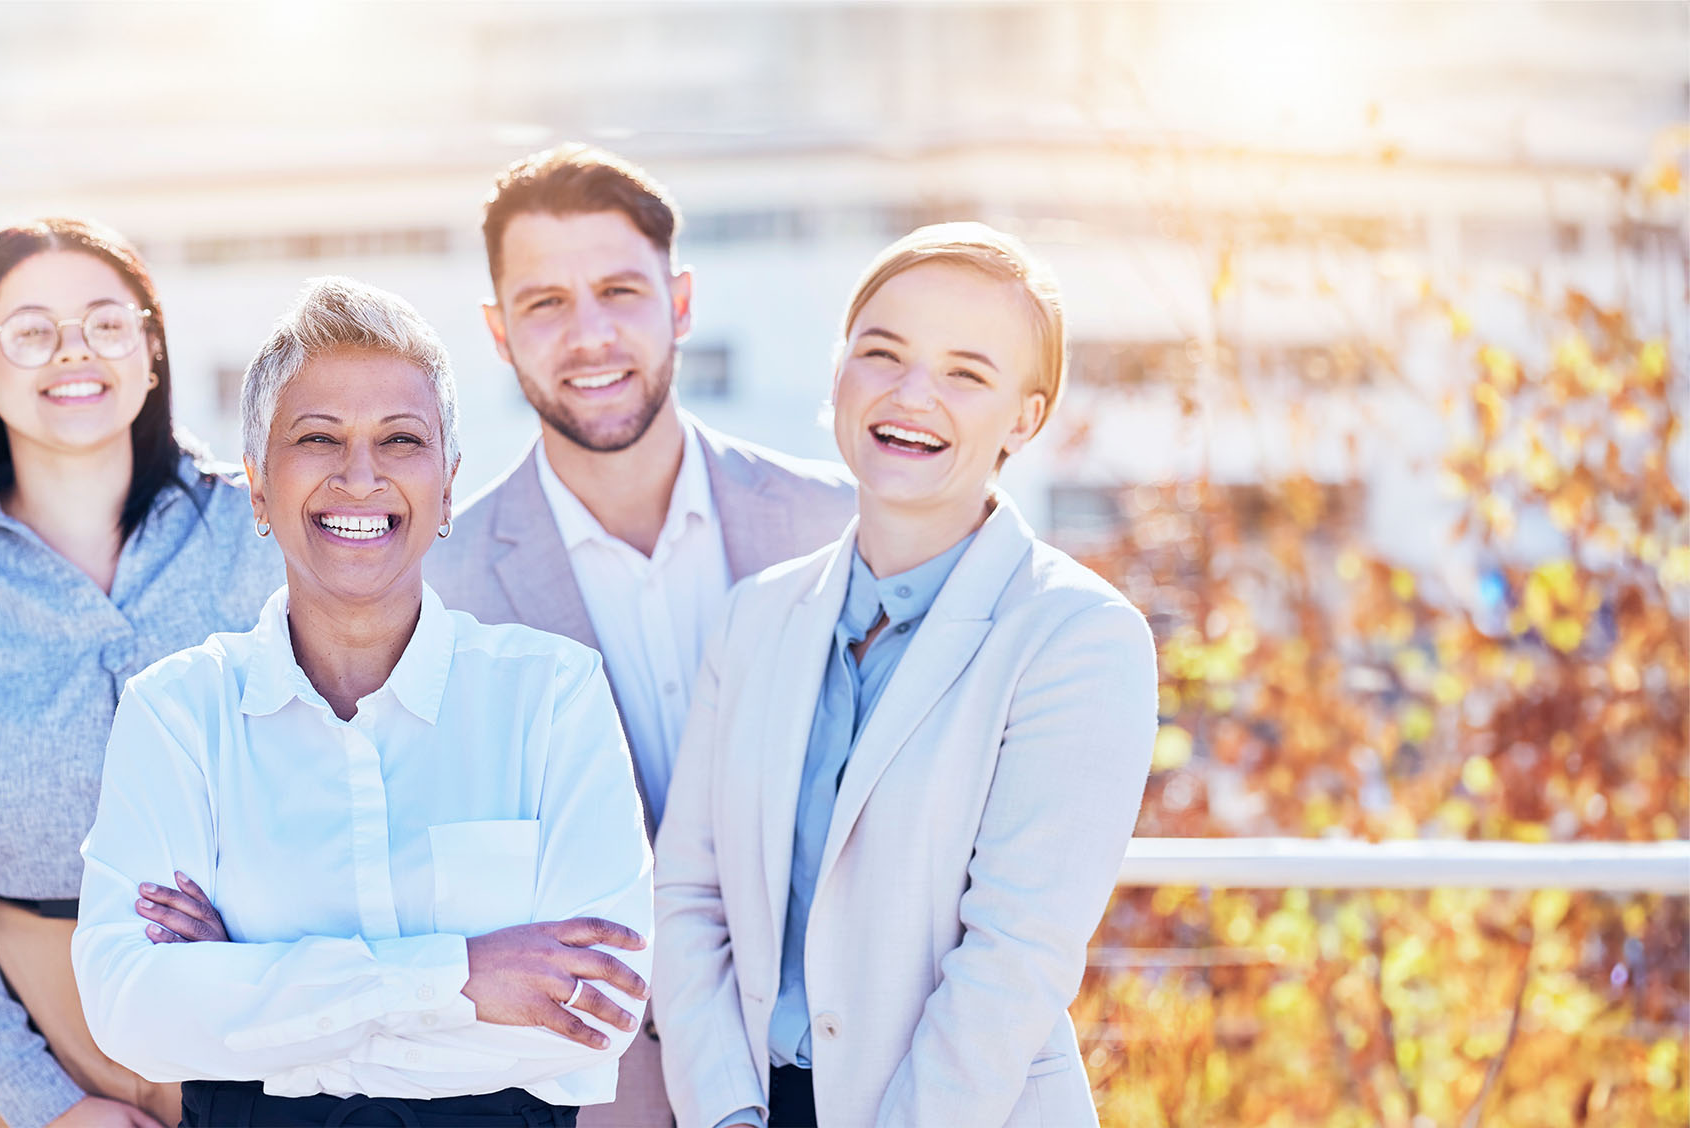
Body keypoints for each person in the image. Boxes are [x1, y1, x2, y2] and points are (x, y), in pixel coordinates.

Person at [73, 277, 654, 1128]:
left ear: (449, 487)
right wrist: (462, 975)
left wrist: (253, 987)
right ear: (259, 487)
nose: (360, 474)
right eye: (318, 438)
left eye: (400, 439)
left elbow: (593, 1014)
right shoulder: (178, 713)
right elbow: (135, 1013)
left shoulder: (553, 696)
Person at [652, 223, 1158, 1128]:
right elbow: (687, 900)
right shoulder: (755, 618)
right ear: (838, 372)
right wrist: (727, 1115)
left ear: (1027, 416)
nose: (912, 393)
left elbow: (1011, 961)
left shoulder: (1078, 638)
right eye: (881, 353)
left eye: (968, 372)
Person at [427, 143, 855, 1128]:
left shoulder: (833, 527)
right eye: (545, 304)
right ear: (498, 333)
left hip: (838, 1065)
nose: (590, 335)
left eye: (622, 290)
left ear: (683, 301)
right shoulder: (442, 592)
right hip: (600, 1087)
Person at [0, 218, 280, 1128]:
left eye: (107, 324)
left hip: (248, 993)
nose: (74, 354)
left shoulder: (262, 532)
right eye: (31, 331)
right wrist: (41, 1099)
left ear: (151, 349)